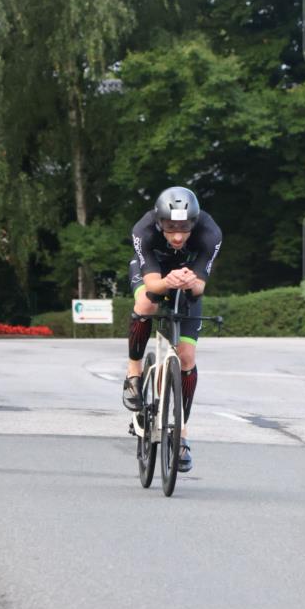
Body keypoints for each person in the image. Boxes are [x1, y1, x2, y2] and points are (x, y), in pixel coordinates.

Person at [123, 186, 222, 473]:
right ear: (159, 223)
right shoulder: (144, 230)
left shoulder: (210, 233)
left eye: (184, 228)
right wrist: (169, 281)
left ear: (194, 222)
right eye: (170, 228)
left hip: (188, 279)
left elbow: (201, 286)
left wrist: (190, 281)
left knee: (187, 358)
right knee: (146, 303)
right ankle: (133, 373)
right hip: (153, 272)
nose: (178, 236)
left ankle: (181, 434)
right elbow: (153, 284)